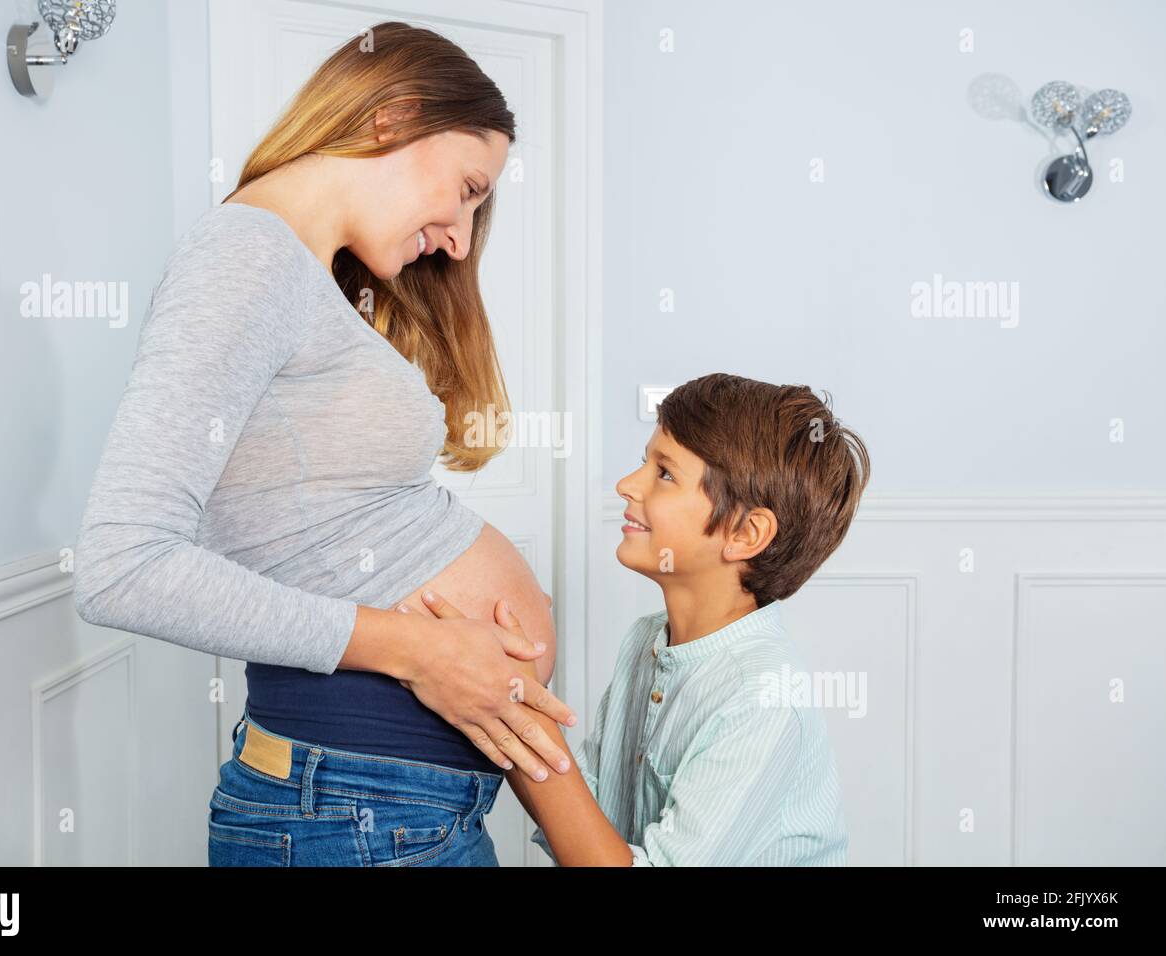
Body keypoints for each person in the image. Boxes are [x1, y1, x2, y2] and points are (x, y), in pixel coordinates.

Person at [73, 22, 574, 867]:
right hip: (350, 812)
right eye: (468, 187)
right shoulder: (247, 257)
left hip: (377, 810)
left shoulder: (298, 274)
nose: (459, 234)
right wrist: (420, 648)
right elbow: (121, 564)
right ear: (394, 117)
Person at [420, 373, 870, 865]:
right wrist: (502, 694)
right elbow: (583, 816)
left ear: (745, 533)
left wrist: (509, 698)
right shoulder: (646, 643)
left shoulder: (762, 701)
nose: (626, 485)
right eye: (643, 463)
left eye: (665, 474)